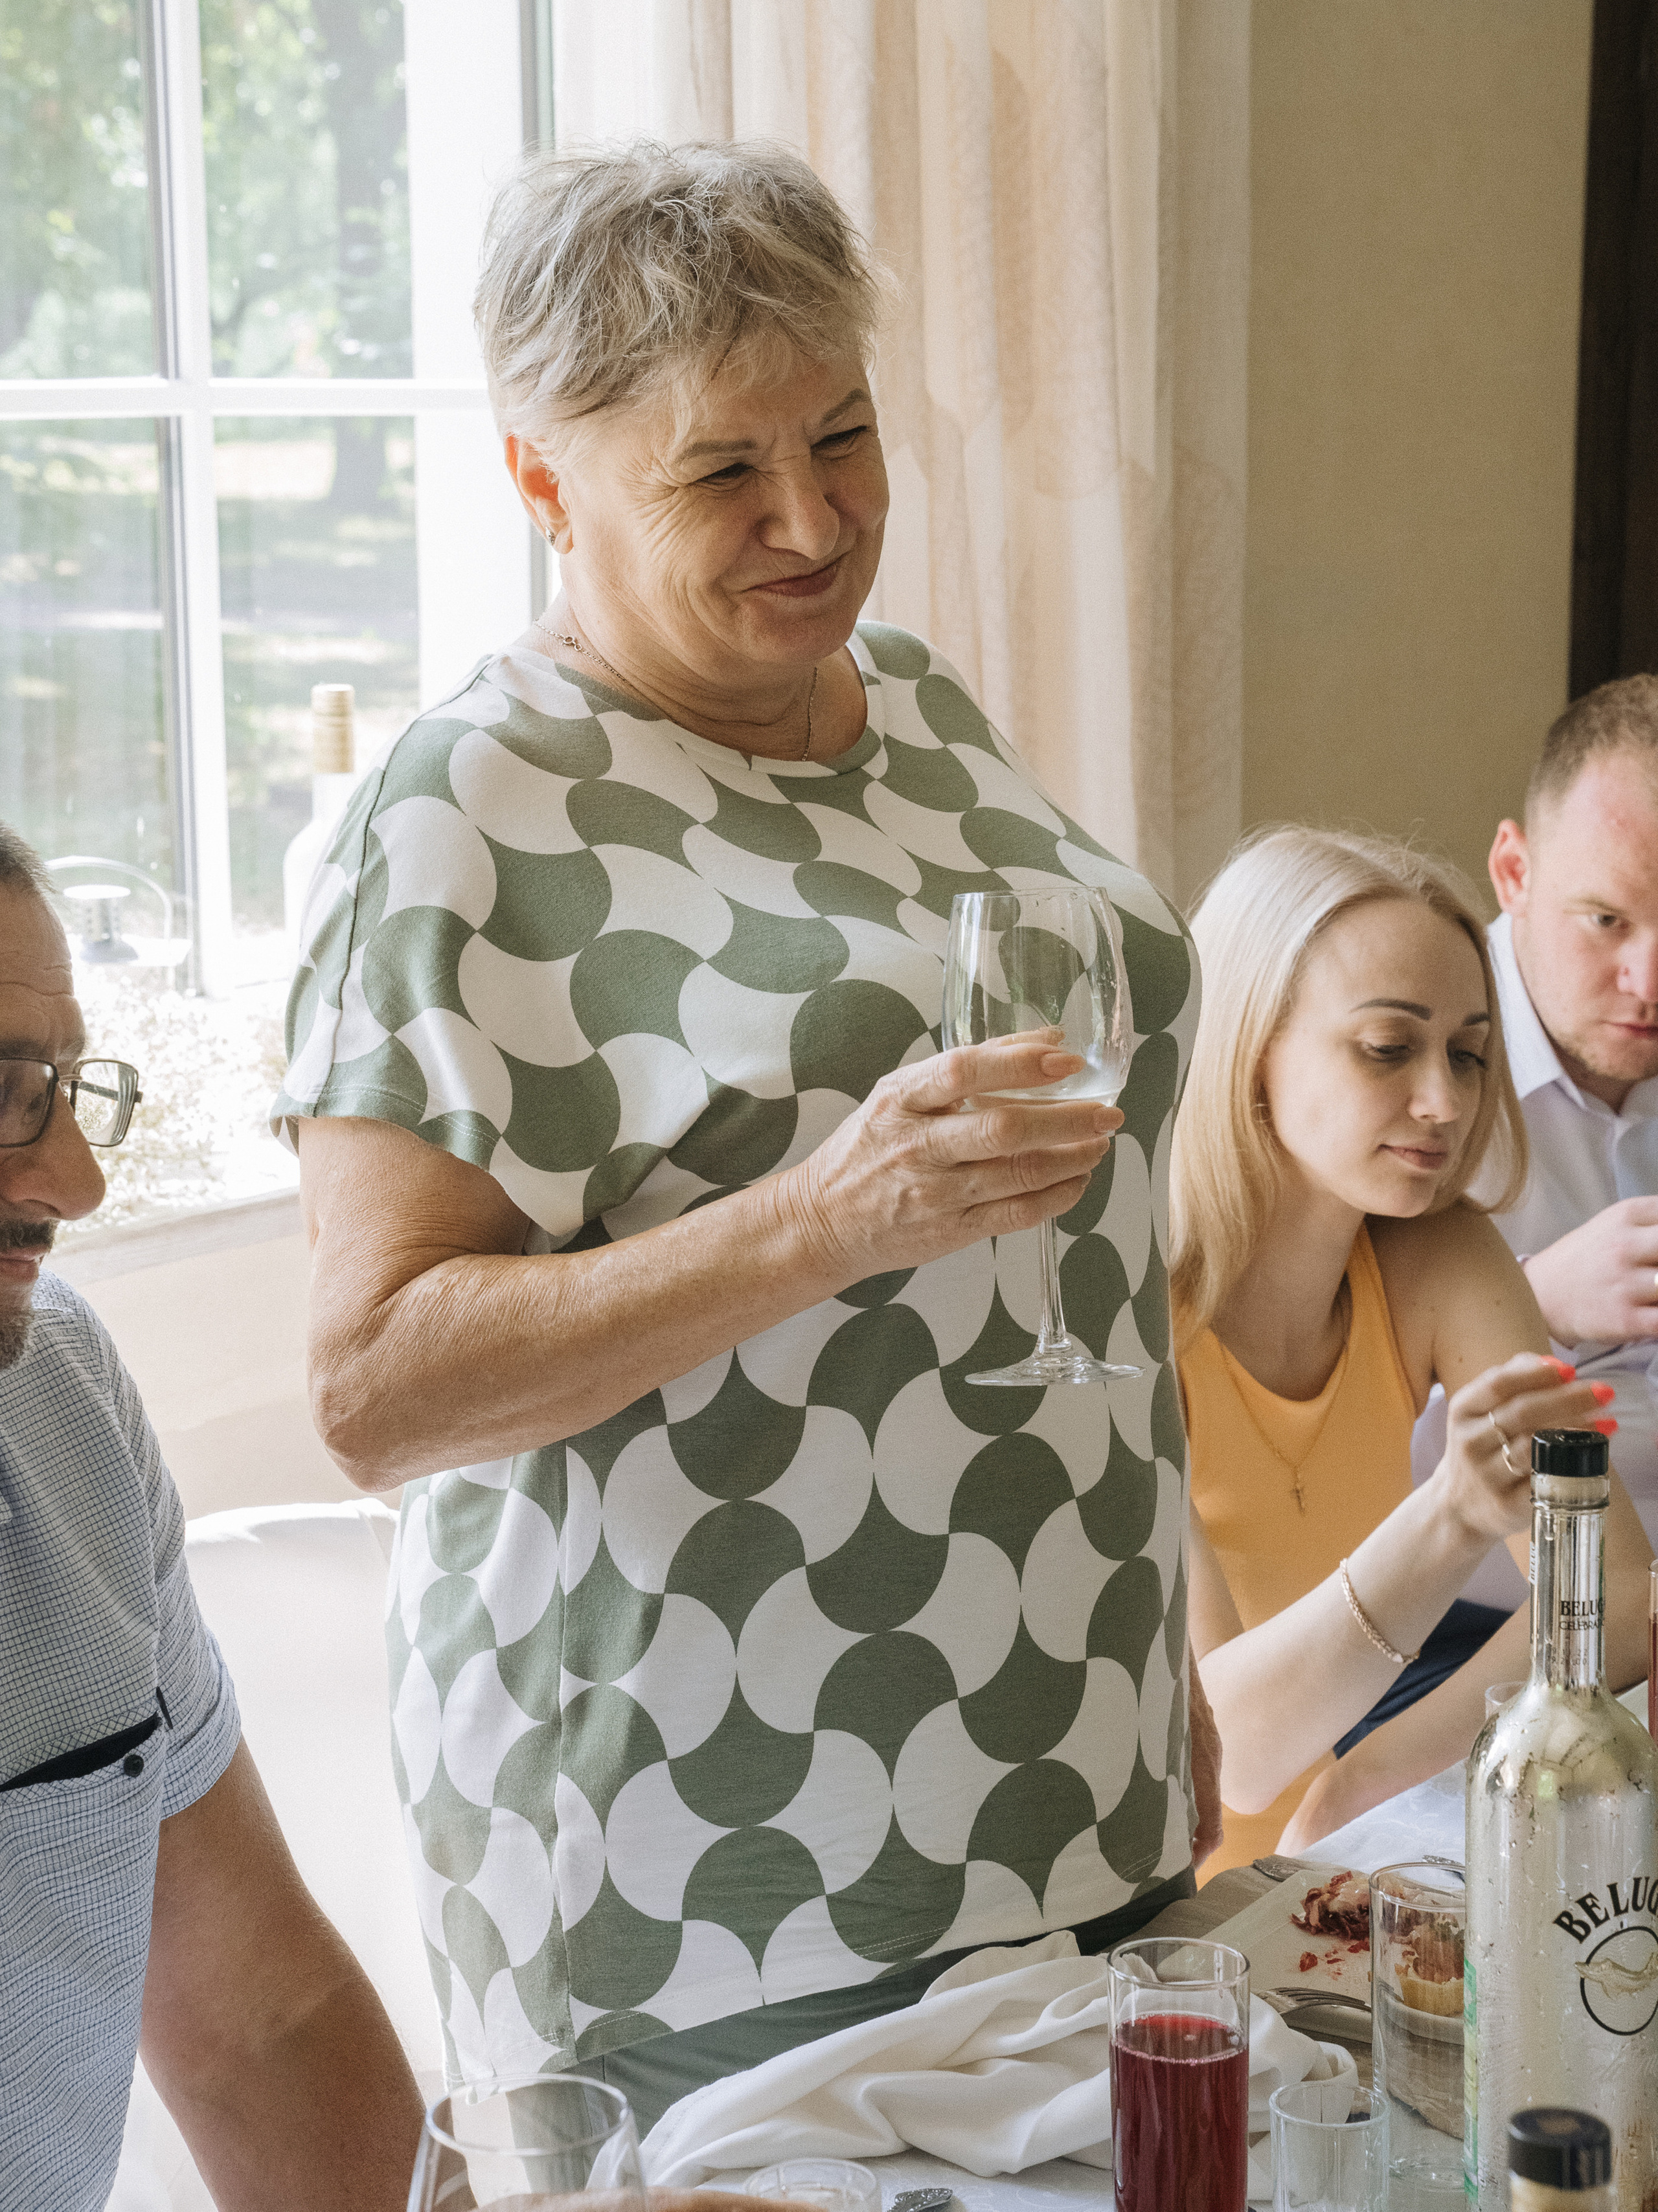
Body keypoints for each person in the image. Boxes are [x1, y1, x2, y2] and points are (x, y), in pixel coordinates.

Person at [275, 136, 1220, 2132]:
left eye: (847, 434)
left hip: (1071, 1760)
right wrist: (822, 1220)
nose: (813, 519)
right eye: (720, 471)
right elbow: (374, 1390)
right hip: (713, 1855)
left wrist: (1156, 1660)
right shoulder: (457, 817)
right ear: (542, 478)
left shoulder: (924, 710)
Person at [0, 824, 424, 2212]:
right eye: (5, 1090)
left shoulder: (59, 1395)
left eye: (62, 1091)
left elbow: (264, 2024)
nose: (76, 1182)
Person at [1173, 828, 1653, 1875]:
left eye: (1469, 1052)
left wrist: (1368, 1772)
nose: (1445, 1101)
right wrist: (1448, 1519)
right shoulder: (1128, 1310)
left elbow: (1617, 1600)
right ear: (1248, 1047)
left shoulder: (1440, 1256)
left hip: (1349, 1871)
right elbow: (1229, 1758)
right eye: (1389, 1048)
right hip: (1160, 1920)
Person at [1479, 674, 1658, 1552]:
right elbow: (1305, 1403)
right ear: (1515, 872)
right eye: (1605, 920)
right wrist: (1533, 1298)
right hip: (1489, 1617)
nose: (1649, 986)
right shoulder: (1405, 1057)